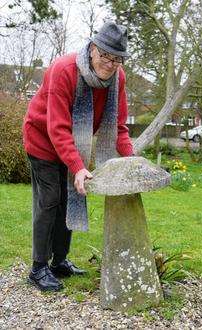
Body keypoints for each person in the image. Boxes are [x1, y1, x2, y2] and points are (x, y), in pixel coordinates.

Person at [22, 21, 134, 292]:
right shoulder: (64, 70)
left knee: (71, 198)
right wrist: (78, 166)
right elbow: (57, 127)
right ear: (93, 48)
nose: (110, 63)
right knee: (50, 201)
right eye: (106, 55)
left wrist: (132, 161)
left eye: (117, 58)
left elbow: (119, 126)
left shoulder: (117, 79)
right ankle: (38, 269)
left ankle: (59, 261)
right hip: (43, 141)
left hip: (74, 145)